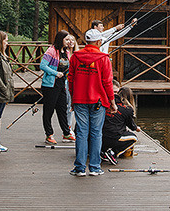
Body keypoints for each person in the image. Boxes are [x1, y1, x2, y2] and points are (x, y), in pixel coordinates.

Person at [67, 27, 115, 177]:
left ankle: (80, 168)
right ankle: (94, 167)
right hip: (98, 100)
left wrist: (73, 97)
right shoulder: (103, 58)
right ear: (99, 41)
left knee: (81, 132)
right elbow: (107, 82)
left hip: (79, 99)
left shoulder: (75, 56)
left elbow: (70, 79)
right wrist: (112, 101)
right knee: (96, 133)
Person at [38, 31, 73, 144]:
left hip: (61, 84)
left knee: (62, 109)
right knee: (49, 110)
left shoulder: (66, 52)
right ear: (60, 39)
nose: (68, 42)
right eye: (66, 39)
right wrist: (55, 73)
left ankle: (66, 133)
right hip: (50, 85)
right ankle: (49, 134)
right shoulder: (51, 50)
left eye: (69, 40)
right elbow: (43, 65)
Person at [101, 85, 138, 166]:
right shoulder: (127, 109)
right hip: (113, 136)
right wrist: (136, 128)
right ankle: (113, 153)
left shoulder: (106, 103)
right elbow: (131, 125)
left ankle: (102, 151)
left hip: (100, 135)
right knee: (133, 138)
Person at [59, 31, 78, 141]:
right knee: (67, 105)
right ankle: (67, 128)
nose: (70, 42)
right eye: (68, 40)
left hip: (74, 82)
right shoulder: (63, 53)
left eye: (72, 40)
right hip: (65, 81)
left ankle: (69, 128)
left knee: (72, 105)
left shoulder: (77, 54)